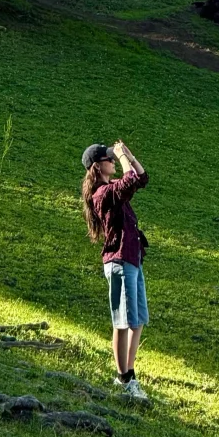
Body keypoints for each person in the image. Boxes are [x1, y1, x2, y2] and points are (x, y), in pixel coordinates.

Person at [81, 139, 150, 402]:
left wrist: (129, 157)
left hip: (132, 257)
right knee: (122, 321)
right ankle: (124, 378)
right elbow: (130, 180)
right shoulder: (103, 194)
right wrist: (124, 158)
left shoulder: (111, 189)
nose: (113, 161)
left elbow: (141, 178)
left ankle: (129, 373)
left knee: (138, 318)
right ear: (98, 167)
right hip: (119, 260)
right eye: (109, 159)